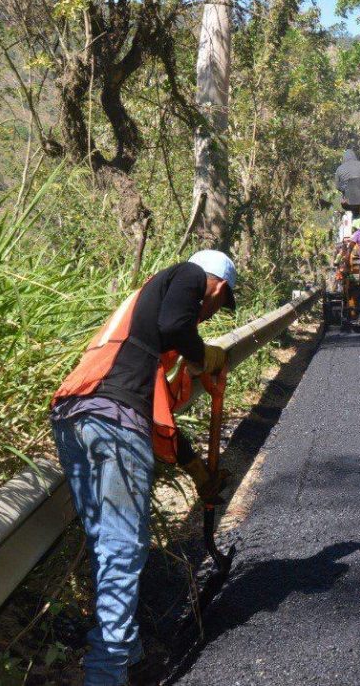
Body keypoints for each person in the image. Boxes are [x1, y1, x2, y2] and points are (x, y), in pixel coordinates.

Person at [50, 250, 237, 686]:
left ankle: (128, 652)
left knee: (107, 543)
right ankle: (106, 674)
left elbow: (158, 423)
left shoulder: (135, 333)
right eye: (215, 307)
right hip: (113, 419)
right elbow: (180, 326)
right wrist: (202, 356)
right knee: (124, 546)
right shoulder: (189, 276)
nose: (207, 315)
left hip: (74, 416)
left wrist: (197, 473)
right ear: (219, 289)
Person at [334, 149, 360, 216]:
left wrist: (346, 189)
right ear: (355, 156)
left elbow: (337, 186)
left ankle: (353, 221)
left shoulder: (339, 169)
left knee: (352, 209)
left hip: (348, 202)